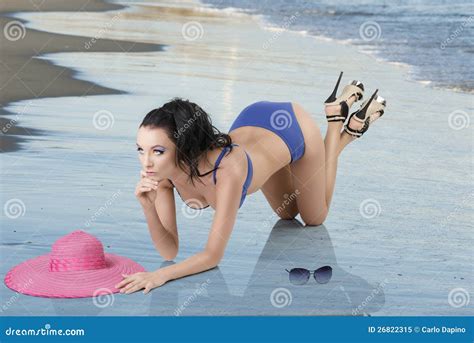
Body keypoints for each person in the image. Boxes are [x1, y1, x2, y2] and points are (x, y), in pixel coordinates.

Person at [116, 71, 386, 295]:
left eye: (157, 151)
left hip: (293, 126)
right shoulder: (163, 176)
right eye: (141, 149)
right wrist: (148, 207)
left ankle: (336, 125)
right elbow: (169, 249)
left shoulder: (228, 169)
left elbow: (212, 256)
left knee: (314, 217)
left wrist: (161, 276)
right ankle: (341, 134)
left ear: (183, 147)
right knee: (286, 213)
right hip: (254, 122)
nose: (146, 162)